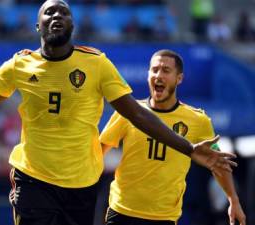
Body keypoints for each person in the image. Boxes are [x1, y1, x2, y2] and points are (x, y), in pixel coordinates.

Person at [0, 1, 236, 225]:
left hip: (81, 184)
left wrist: (188, 149)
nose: (57, 15)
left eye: (64, 11)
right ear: (38, 26)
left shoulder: (97, 65)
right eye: (49, 12)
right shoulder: (19, 67)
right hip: (33, 179)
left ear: (72, 25)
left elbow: (138, 115)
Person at [100, 49, 246, 225]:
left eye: (166, 70)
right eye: (154, 70)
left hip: (163, 217)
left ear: (179, 78)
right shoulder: (129, 112)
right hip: (121, 211)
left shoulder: (198, 120)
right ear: (148, 75)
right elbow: (99, 150)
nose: (158, 75)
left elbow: (217, 163)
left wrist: (233, 199)